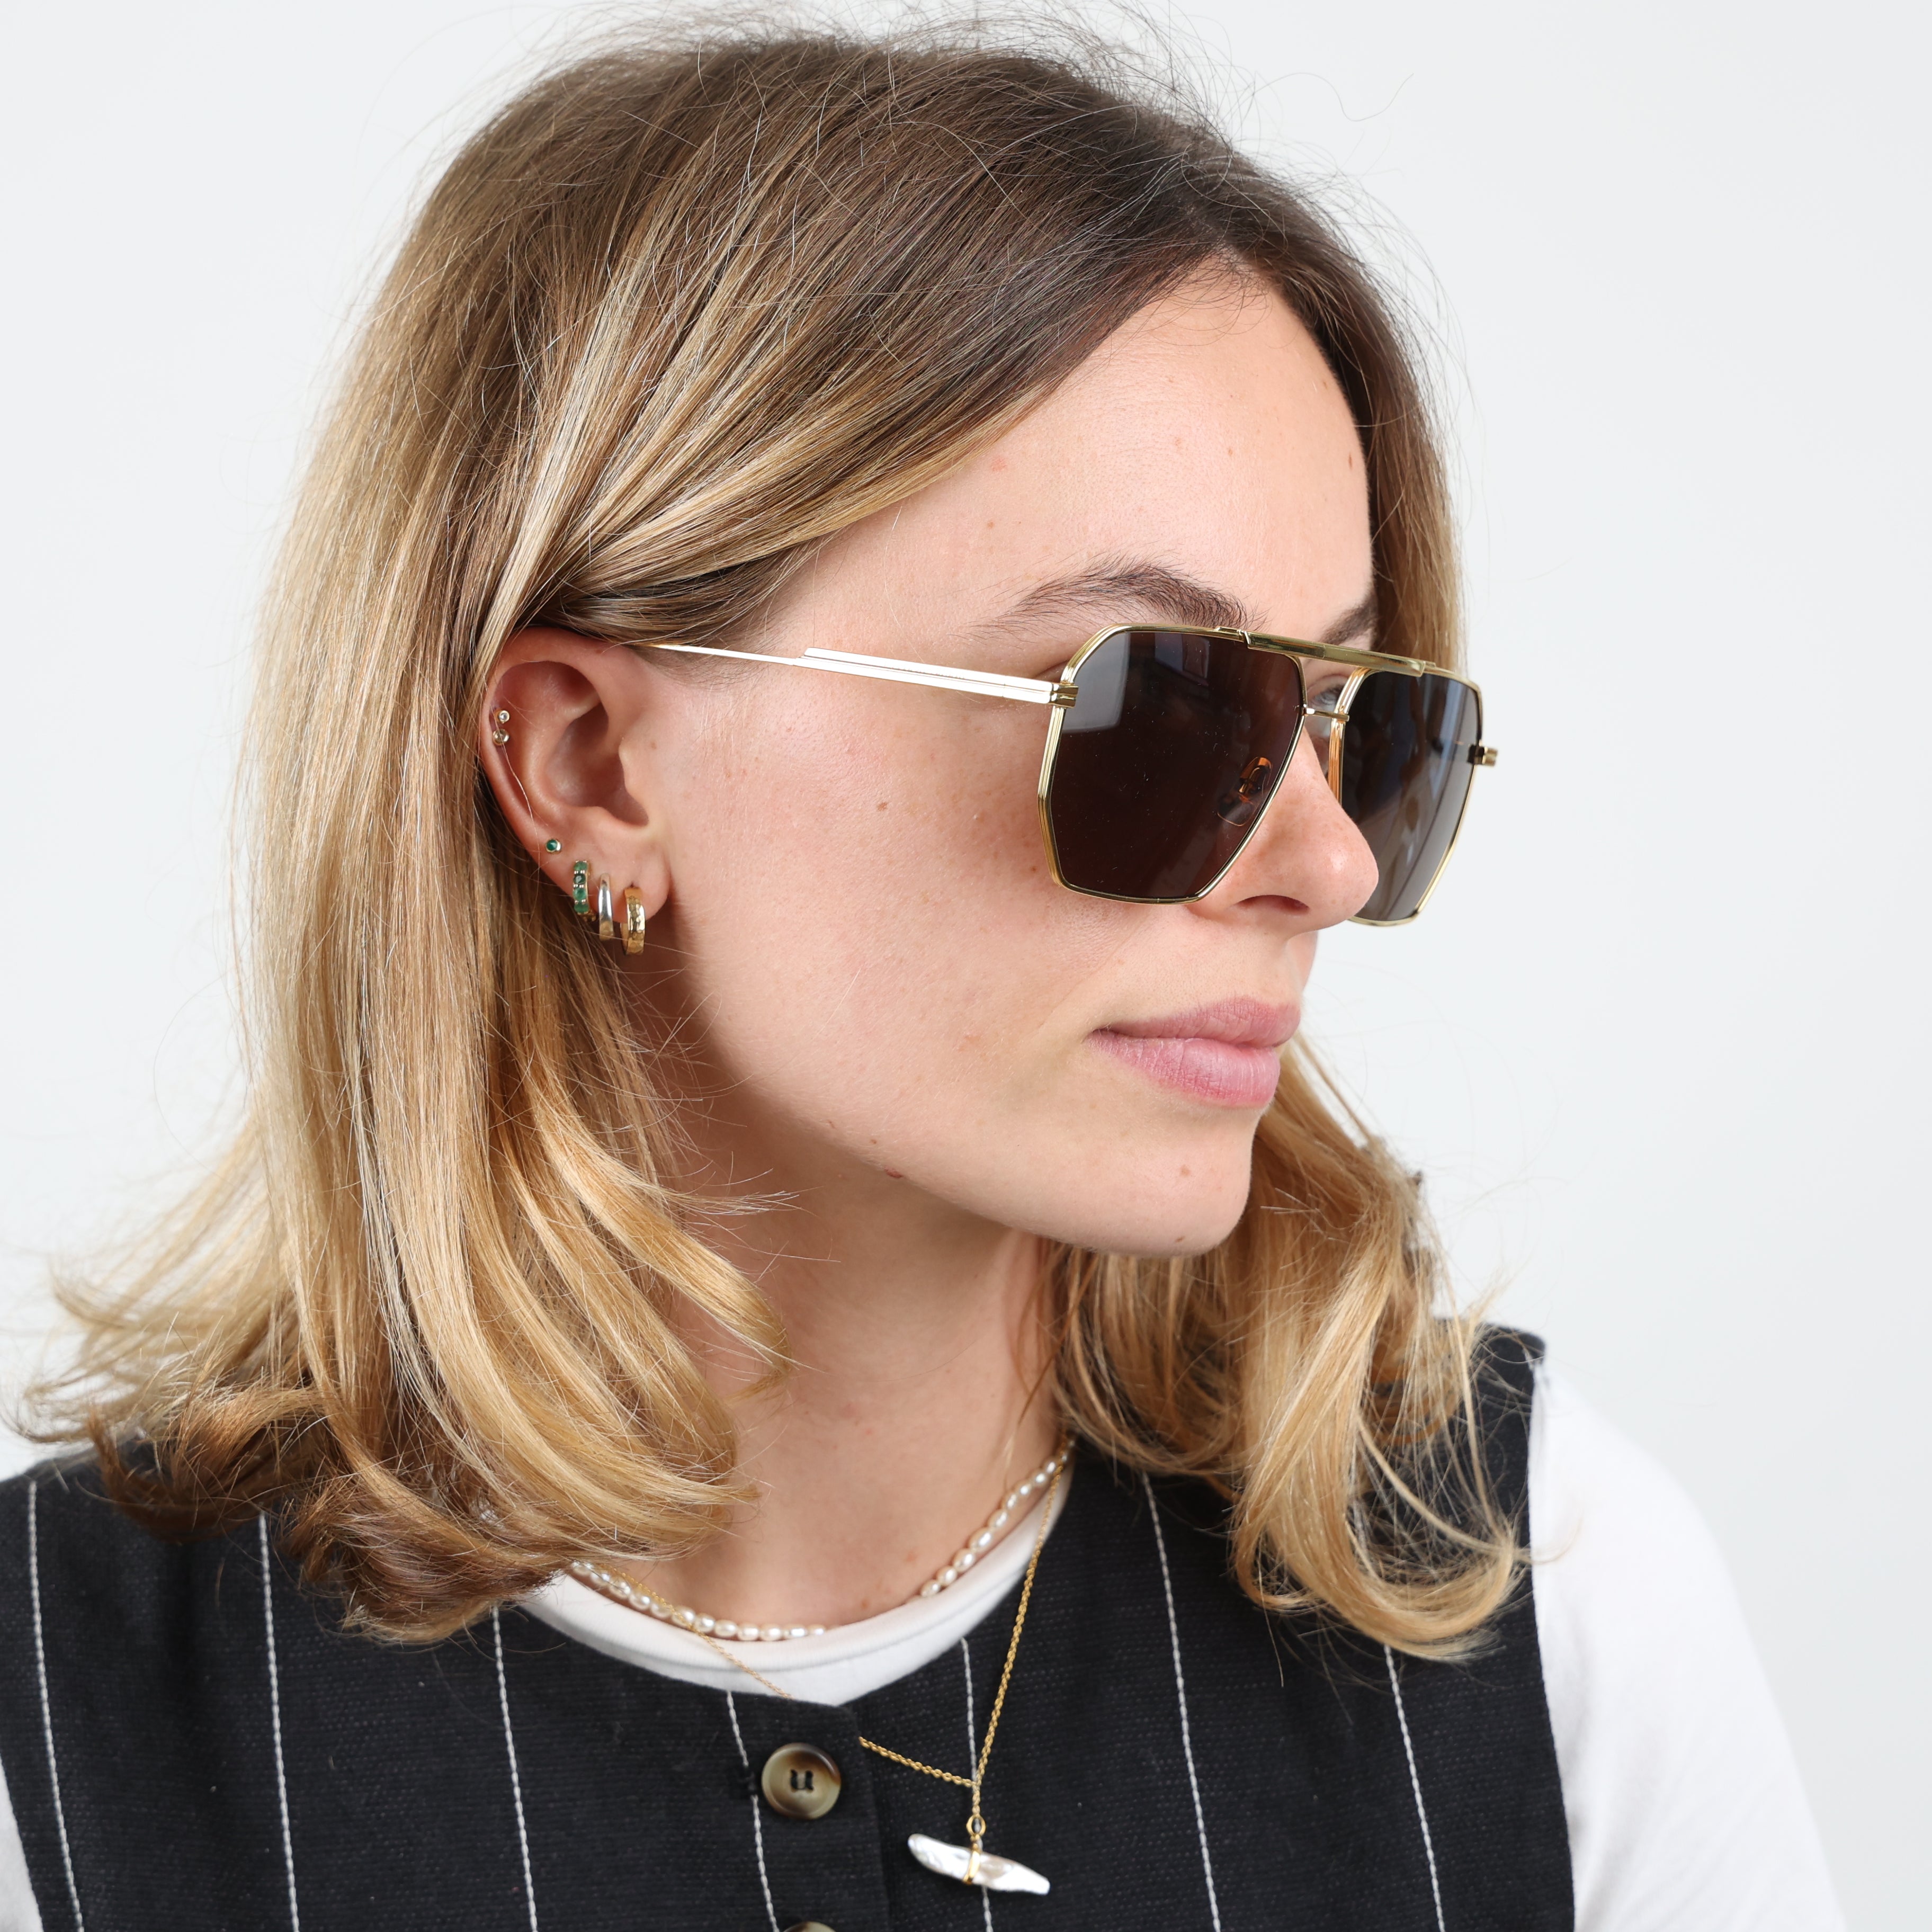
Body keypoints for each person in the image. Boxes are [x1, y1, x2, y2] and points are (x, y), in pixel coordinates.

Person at [0, 23, 1839, 1931]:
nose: (1332, 863)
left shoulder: (1539, 1592)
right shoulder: (62, 1732)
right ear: (591, 767)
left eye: (1367, 729)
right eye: (1158, 707)